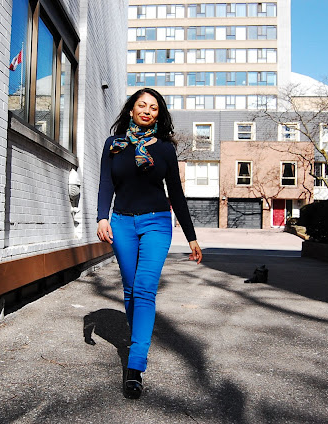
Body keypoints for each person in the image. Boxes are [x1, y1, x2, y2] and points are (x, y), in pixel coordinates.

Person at [97, 87, 202, 399]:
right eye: (141, 105)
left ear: (159, 115)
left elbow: (176, 194)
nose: (147, 111)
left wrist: (191, 236)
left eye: (153, 108)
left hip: (156, 222)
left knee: (144, 289)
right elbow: (106, 182)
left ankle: (135, 364)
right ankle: (139, 338)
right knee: (130, 290)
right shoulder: (114, 145)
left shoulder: (165, 149)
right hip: (121, 223)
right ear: (131, 110)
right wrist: (102, 217)